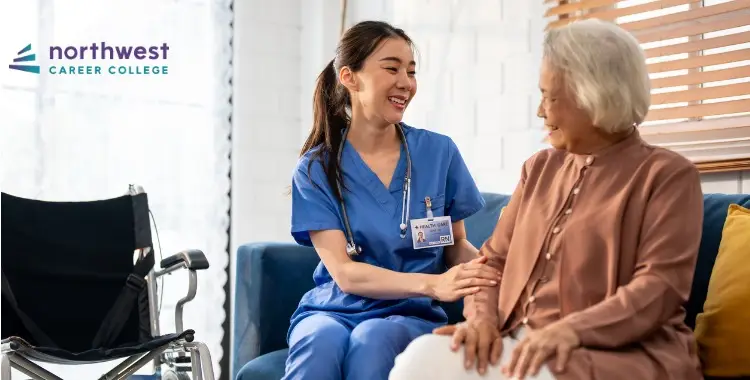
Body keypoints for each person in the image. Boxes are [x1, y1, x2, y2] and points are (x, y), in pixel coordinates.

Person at [389, 19, 705, 380]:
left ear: (595, 94)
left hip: (608, 354)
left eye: (550, 97)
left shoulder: (668, 176)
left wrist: (572, 330)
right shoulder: (538, 168)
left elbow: (659, 288)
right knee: (420, 360)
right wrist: (481, 321)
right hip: (514, 343)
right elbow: (492, 263)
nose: (541, 111)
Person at [285, 20, 500, 380]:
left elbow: (454, 245)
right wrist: (434, 284)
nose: (406, 82)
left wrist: (491, 273)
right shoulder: (315, 169)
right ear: (349, 78)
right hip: (333, 308)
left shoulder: (437, 153)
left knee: (374, 338)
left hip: (410, 314)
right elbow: (345, 273)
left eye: (411, 71)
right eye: (392, 68)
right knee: (319, 341)